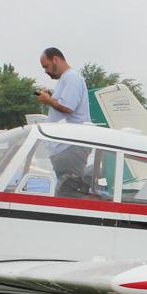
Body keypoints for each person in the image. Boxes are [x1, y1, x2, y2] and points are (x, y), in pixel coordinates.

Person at [37, 47, 92, 195]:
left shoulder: (71, 77)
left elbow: (68, 107)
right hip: (65, 147)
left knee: (69, 192)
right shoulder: (66, 79)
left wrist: (48, 100)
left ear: (55, 59)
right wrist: (52, 97)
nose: (46, 71)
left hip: (70, 146)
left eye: (46, 66)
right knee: (66, 189)